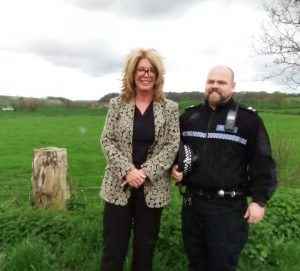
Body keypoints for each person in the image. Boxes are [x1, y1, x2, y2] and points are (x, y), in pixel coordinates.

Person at [172, 65, 277, 271]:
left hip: (227, 208)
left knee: (222, 264)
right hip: (193, 204)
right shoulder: (189, 117)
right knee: (196, 263)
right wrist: (174, 168)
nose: (215, 86)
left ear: (233, 86)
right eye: (211, 82)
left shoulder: (248, 119)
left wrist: (259, 200)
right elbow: (175, 151)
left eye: (221, 83)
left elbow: (262, 161)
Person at [99, 48, 180, 271]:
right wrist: (128, 171)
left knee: (145, 250)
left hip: (152, 188)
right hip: (118, 187)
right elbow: (107, 140)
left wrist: (143, 173)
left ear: (158, 75)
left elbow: (172, 145)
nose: (146, 74)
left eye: (152, 70)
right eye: (141, 69)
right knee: (113, 251)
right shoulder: (117, 104)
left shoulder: (170, 108)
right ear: (132, 74)